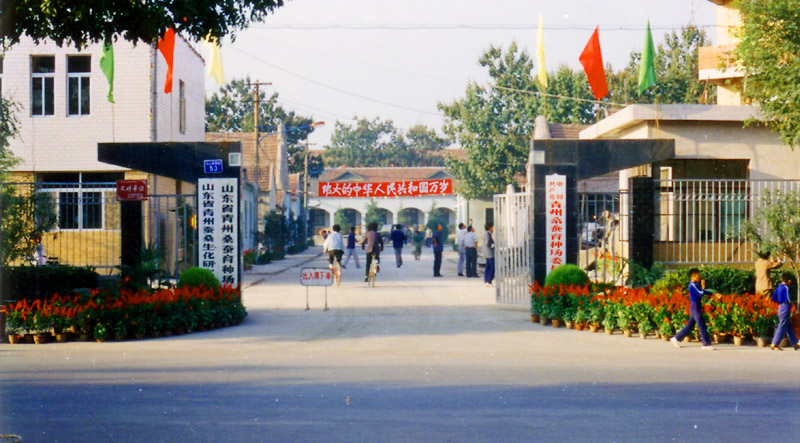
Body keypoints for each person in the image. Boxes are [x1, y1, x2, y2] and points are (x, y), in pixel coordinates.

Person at [670, 268, 717, 350]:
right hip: (695, 307)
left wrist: (714, 293)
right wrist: (703, 286)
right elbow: (701, 293)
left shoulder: (695, 285)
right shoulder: (692, 285)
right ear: (693, 276)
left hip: (696, 307)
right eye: (698, 275)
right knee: (702, 325)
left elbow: (702, 291)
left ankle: (676, 338)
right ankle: (706, 344)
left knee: (690, 326)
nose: (700, 277)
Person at [770, 271, 799, 351]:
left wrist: (780, 301)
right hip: (785, 306)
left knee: (788, 325)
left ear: (781, 279)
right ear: (789, 281)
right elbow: (788, 298)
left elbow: (774, 298)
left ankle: (795, 343)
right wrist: (792, 304)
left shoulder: (779, 287)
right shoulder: (786, 287)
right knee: (782, 325)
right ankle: (774, 343)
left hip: (780, 307)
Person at [483, 223, 495, 287]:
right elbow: (488, 243)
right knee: (492, 267)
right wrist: (493, 245)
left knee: (488, 267)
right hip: (490, 253)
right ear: (490, 227)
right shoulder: (488, 233)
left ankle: (487, 280)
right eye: (492, 227)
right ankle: (489, 280)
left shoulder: (486, 233)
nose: (493, 228)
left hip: (487, 253)